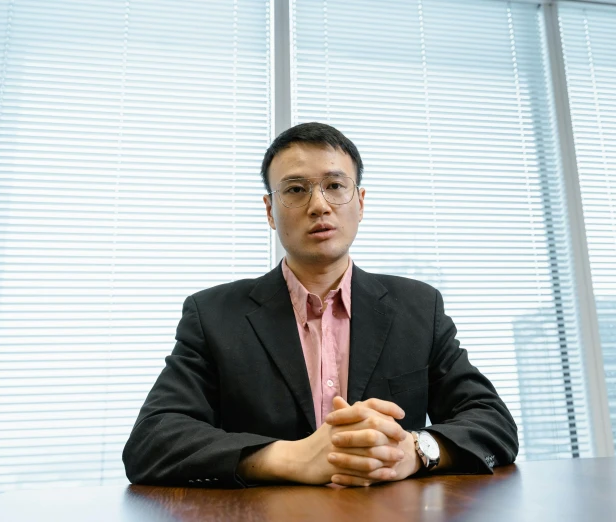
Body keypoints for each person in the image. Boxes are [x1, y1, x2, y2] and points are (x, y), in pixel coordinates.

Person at [122, 122, 518, 488]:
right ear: (269, 211)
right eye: (295, 189)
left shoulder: (418, 307)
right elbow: (152, 441)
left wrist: (414, 451)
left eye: (334, 185)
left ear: (360, 202)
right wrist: (289, 457)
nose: (319, 205)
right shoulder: (213, 315)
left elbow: (493, 423)